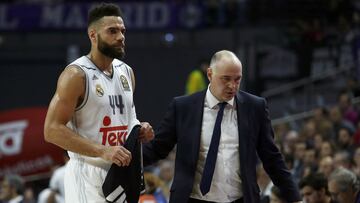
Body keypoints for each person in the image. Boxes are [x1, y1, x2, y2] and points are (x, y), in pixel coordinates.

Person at [143, 50, 301, 203]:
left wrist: (294, 197)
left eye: (237, 79)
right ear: (210, 74)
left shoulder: (255, 107)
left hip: (240, 199)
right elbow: (158, 148)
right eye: (226, 79)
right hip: (193, 199)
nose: (232, 86)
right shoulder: (183, 107)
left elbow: (271, 157)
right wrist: (126, 160)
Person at [43, 3, 154, 203]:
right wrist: (102, 150)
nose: (120, 37)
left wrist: (139, 128)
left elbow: (127, 119)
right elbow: (51, 130)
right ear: (93, 36)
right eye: (112, 31)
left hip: (122, 171)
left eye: (122, 31)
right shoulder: (76, 75)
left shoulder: (126, 72)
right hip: (88, 173)